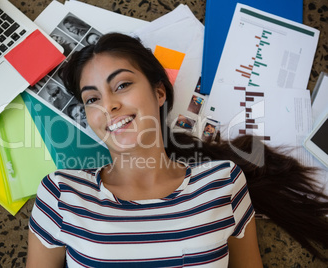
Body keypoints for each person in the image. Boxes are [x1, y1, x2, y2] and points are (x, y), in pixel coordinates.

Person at [26, 33, 328, 267]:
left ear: (159, 93)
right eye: (92, 99)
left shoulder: (223, 182)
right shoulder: (61, 194)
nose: (108, 105)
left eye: (121, 86)